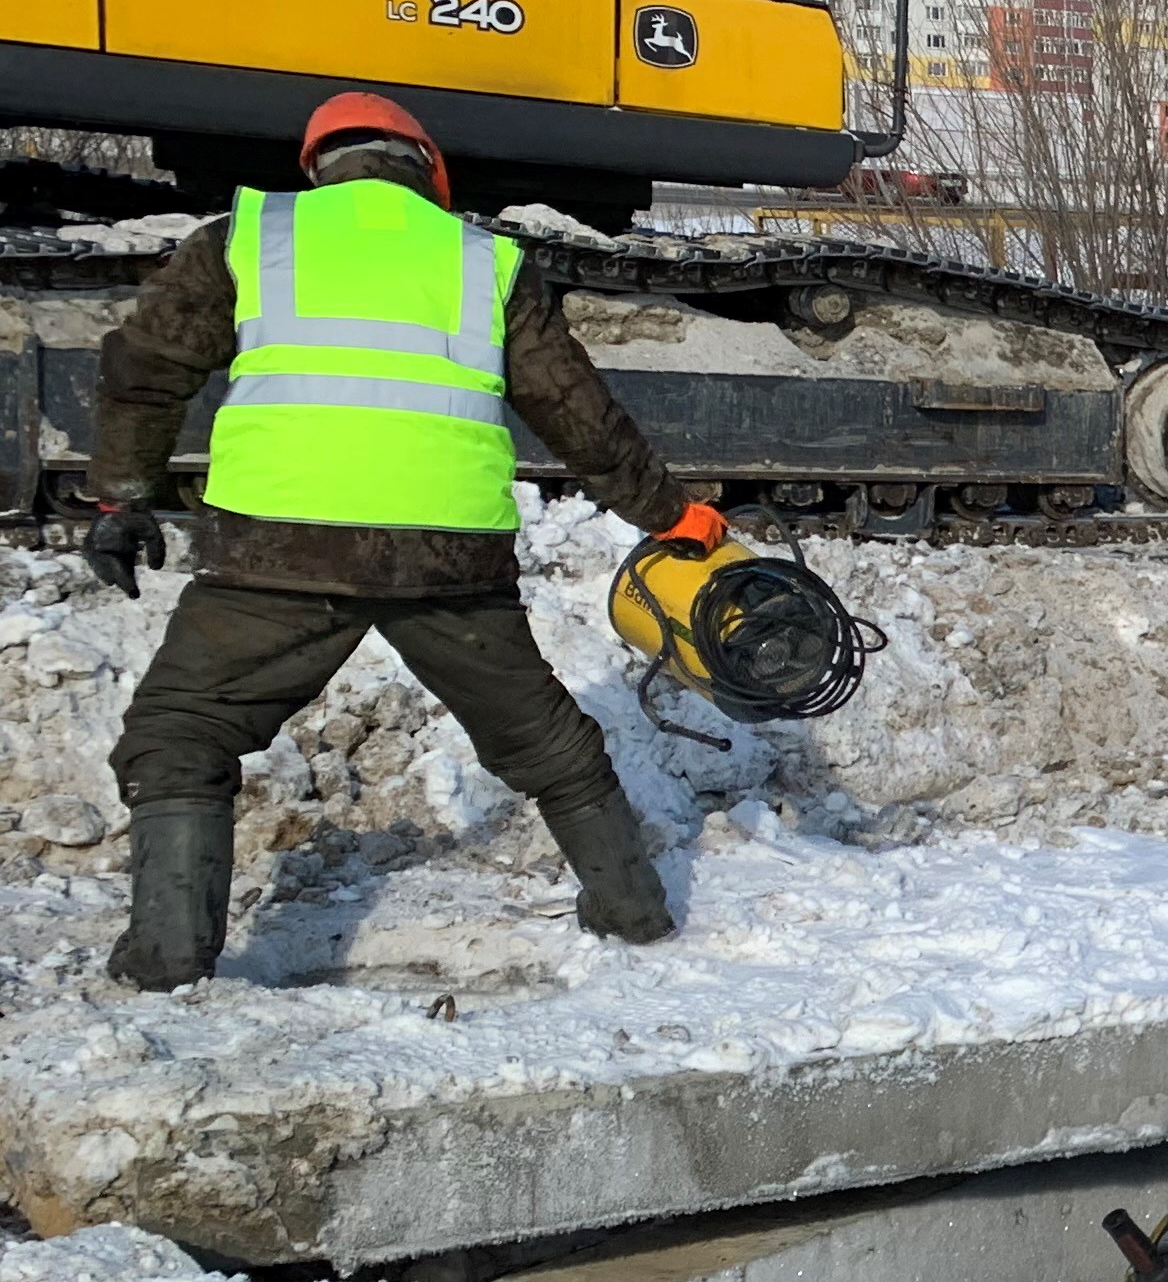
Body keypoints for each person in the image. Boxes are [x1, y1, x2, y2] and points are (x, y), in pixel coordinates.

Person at [78, 91, 722, 992]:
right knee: (546, 744)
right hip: (448, 556)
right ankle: (634, 913)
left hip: (279, 551)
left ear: (317, 166)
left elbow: (142, 372)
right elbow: (577, 415)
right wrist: (672, 516)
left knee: (180, 733)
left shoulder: (249, 237)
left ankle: (169, 958)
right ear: (430, 170)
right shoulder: (484, 261)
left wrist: (120, 500)